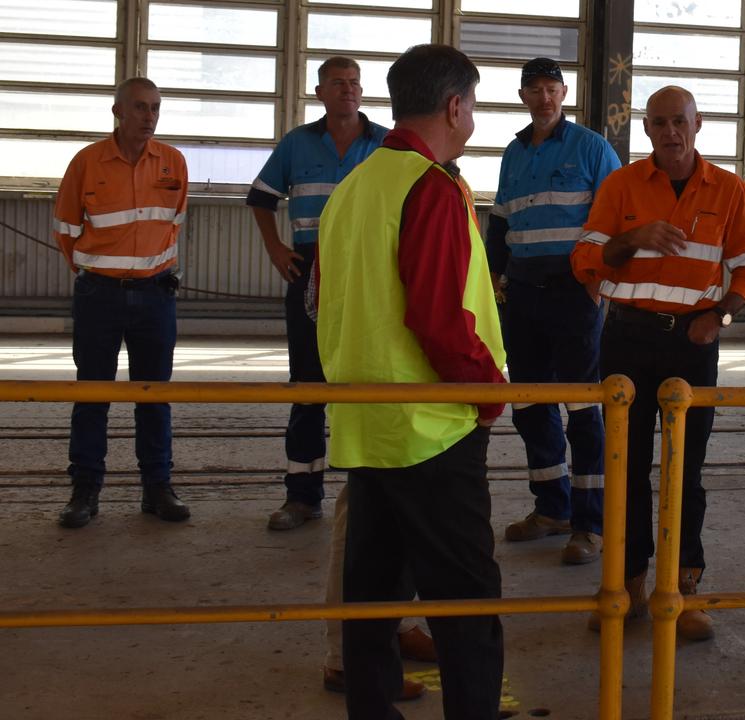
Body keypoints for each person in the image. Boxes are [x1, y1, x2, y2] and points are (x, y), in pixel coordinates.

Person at [316, 44, 506, 720]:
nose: (474, 117)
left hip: (365, 420)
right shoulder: (431, 186)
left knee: (371, 596)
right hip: (431, 426)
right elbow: (439, 317)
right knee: (467, 600)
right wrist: (488, 394)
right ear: (455, 107)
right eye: (474, 105)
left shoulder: (355, 187)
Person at [571, 86, 745, 641]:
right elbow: (584, 260)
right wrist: (631, 237)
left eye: (679, 121)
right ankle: (626, 584)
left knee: (688, 472)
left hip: (692, 345)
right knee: (626, 470)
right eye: (659, 123)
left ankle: (682, 590)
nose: (670, 132)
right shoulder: (621, 185)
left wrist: (719, 317)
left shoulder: (728, 190)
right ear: (647, 130)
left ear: (698, 123)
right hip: (627, 342)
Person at [487, 57, 621, 565]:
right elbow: (500, 221)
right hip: (522, 295)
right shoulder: (513, 153)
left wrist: (600, 284)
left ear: (564, 92)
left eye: (552, 88)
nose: (544, 98)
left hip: (574, 294)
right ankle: (552, 508)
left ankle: (589, 524)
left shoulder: (590, 147)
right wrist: (494, 277)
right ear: (523, 96)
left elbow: (616, 218)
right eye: (535, 90)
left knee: (584, 408)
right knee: (530, 403)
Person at [247, 56, 389, 532]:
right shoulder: (297, 144)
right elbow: (262, 197)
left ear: (362, 92)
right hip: (308, 269)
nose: (347, 90)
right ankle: (302, 496)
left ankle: (371, 497)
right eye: (337, 83)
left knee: (369, 382)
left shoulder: (386, 144)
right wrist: (274, 249)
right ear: (320, 91)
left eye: (354, 83)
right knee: (308, 383)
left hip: (368, 273)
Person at [52, 77, 190, 528]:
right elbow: (66, 231)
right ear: (118, 112)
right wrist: (99, 275)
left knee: (155, 396)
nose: (149, 116)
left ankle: (157, 488)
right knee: (93, 394)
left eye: (155, 108)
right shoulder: (87, 163)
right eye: (139, 107)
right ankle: (85, 491)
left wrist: (146, 272)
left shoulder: (173, 163)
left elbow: (173, 224)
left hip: (156, 296)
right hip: (100, 297)